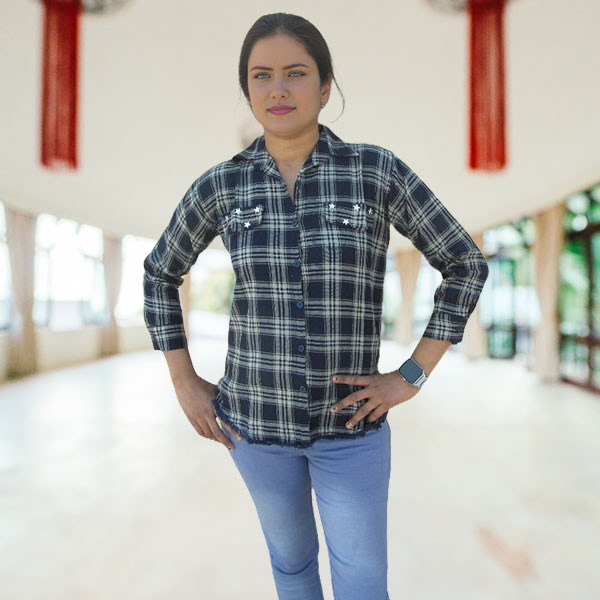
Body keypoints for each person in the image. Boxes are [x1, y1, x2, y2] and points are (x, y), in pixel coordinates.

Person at [142, 12, 489, 600]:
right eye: (261, 75)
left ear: (325, 87)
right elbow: (159, 273)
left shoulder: (376, 172)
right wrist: (183, 380)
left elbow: (465, 262)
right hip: (254, 427)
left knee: (362, 580)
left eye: (296, 73)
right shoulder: (221, 186)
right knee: (292, 566)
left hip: (350, 428)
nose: (278, 89)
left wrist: (411, 374)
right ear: (247, 89)